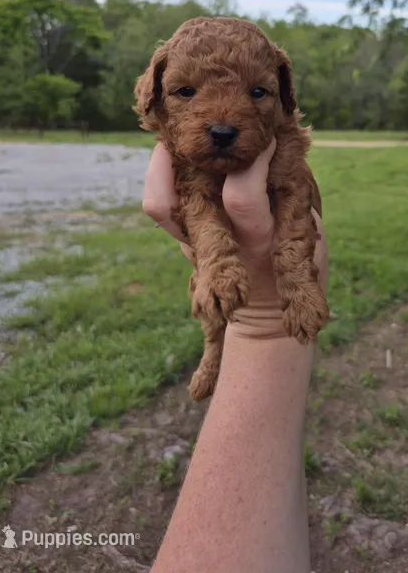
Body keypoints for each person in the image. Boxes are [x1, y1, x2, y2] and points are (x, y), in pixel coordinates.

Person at [143, 139, 329, 573]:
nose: (224, 116)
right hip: (222, 268)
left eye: (257, 91)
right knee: (214, 295)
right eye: (187, 92)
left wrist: (292, 280)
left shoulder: (282, 145)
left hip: (291, 271)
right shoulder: (187, 155)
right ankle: (212, 352)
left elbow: (295, 195)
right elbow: (194, 203)